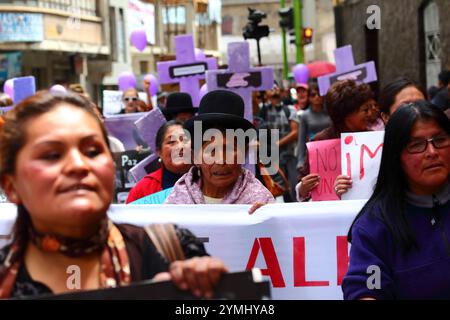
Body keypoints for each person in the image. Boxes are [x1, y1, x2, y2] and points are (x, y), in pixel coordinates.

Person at [0, 91, 228, 299]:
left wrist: (210, 293)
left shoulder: (172, 252)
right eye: (51, 155)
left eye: (92, 151)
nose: (79, 165)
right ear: (10, 185)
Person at [342, 100, 450, 299]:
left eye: (440, 140)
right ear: (396, 156)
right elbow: (366, 289)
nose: (432, 152)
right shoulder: (374, 226)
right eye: (416, 145)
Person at [165, 90, 275, 205]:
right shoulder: (177, 200)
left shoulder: (260, 201)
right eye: (212, 151)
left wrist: (265, 219)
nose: (221, 160)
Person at [297, 80, 375, 201]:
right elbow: (303, 186)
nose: (370, 114)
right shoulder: (320, 142)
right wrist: (303, 188)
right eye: (365, 110)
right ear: (347, 114)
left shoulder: (374, 141)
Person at [126, 121, 192, 203]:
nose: (180, 146)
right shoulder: (142, 189)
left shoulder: (208, 182)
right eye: (171, 142)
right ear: (159, 152)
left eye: (185, 140)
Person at [258, 83, 299, 202]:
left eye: (276, 87)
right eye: (270, 88)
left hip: (289, 154)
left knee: (292, 185)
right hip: (271, 157)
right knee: (275, 187)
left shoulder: (289, 109)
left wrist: (276, 144)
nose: (274, 90)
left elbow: (295, 132)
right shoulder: (263, 110)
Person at [296, 84, 332, 171]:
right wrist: (300, 161)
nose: (316, 97)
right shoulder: (305, 115)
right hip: (312, 153)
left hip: (330, 152)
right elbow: (301, 139)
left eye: (319, 94)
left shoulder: (330, 112)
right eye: (313, 95)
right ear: (309, 98)